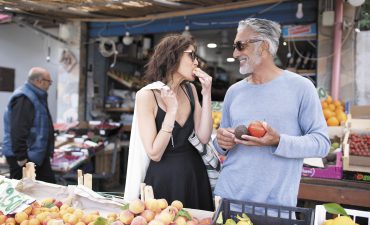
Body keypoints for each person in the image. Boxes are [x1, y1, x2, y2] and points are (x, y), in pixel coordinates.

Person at [213, 18, 330, 209]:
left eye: (240, 45)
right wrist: (221, 141)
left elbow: (322, 144)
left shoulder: (301, 87)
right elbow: (219, 144)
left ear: (263, 46)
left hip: (274, 207)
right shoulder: (234, 92)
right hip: (228, 199)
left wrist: (278, 140)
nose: (235, 53)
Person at [124, 34, 214, 210]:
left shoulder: (190, 90)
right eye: (192, 55)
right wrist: (171, 111)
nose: (197, 63)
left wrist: (207, 93)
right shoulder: (147, 95)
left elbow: (203, 137)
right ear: (173, 56)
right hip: (164, 178)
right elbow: (154, 153)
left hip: (195, 174)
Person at [2, 67, 56, 183]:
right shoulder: (24, 98)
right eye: (49, 82)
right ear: (39, 81)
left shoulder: (36, 96)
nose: (49, 85)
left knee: (46, 189)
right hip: (25, 157)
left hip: (36, 155)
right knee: (23, 195)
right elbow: (18, 130)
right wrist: (21, 158)